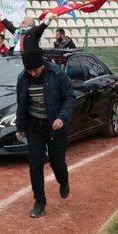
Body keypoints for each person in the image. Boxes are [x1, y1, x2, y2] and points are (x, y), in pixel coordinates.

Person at [15, 49, 76, 218]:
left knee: (57, 162)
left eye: (36, 70)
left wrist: (62, 118)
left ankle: (63, 181)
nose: (33, 74)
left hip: (56, 127)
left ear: (42, 65)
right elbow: (21, 103)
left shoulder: (57, 74)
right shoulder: (23, 78)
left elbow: (70, 97)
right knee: (35, 164)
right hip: (34, 126)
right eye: (30, 71)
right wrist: (20, 127)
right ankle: (39, 202)